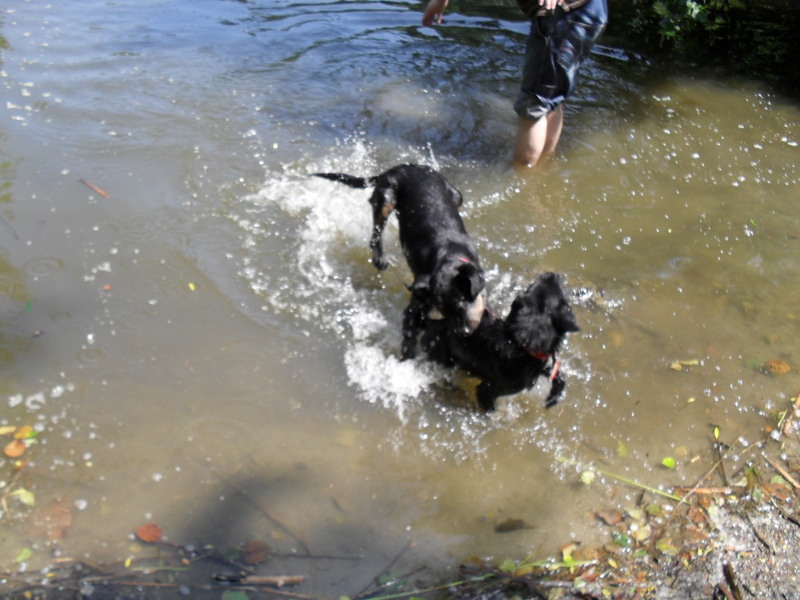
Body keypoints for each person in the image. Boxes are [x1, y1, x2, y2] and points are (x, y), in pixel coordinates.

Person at [422, 0, 608, 167]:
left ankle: (525, 183)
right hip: (586, 12)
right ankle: (542, 166)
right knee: (550, 95)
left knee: (533, 105)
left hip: (564, 17)